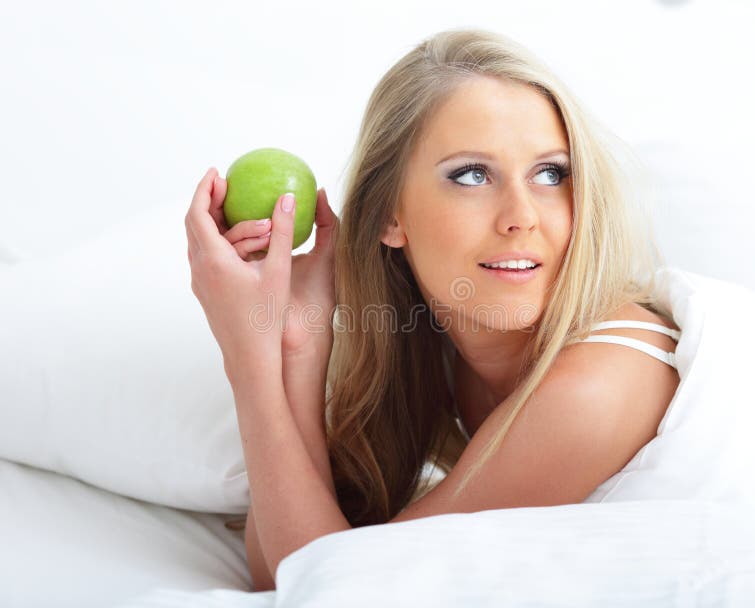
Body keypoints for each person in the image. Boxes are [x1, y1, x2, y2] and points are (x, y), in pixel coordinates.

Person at [185, 28, 681, 592]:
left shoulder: (595, 388)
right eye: (472, 175)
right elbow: (281, 573)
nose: (523, 216)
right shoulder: (444, 348)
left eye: (551, 174)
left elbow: (343, 589)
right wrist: (298, 345)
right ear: (389, 216)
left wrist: (247, 362)